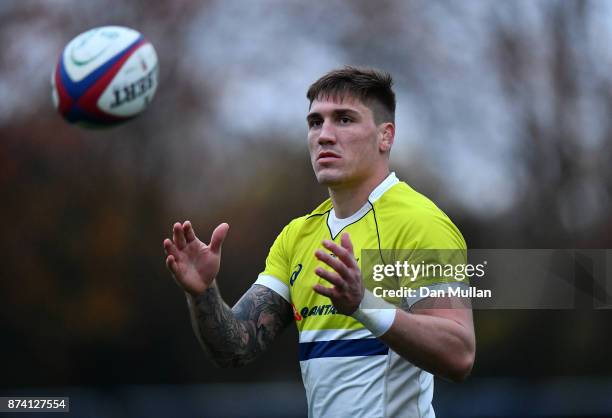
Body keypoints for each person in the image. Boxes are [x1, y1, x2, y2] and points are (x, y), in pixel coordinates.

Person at [163, 67, 475, 418]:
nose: (325, 135)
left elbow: (459, 355)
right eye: (315, 122)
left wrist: (362, 304)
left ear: (385, 136)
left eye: (344, 120)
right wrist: (203, 292)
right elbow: (235, 348)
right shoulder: (298, 235)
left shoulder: (420, 223)